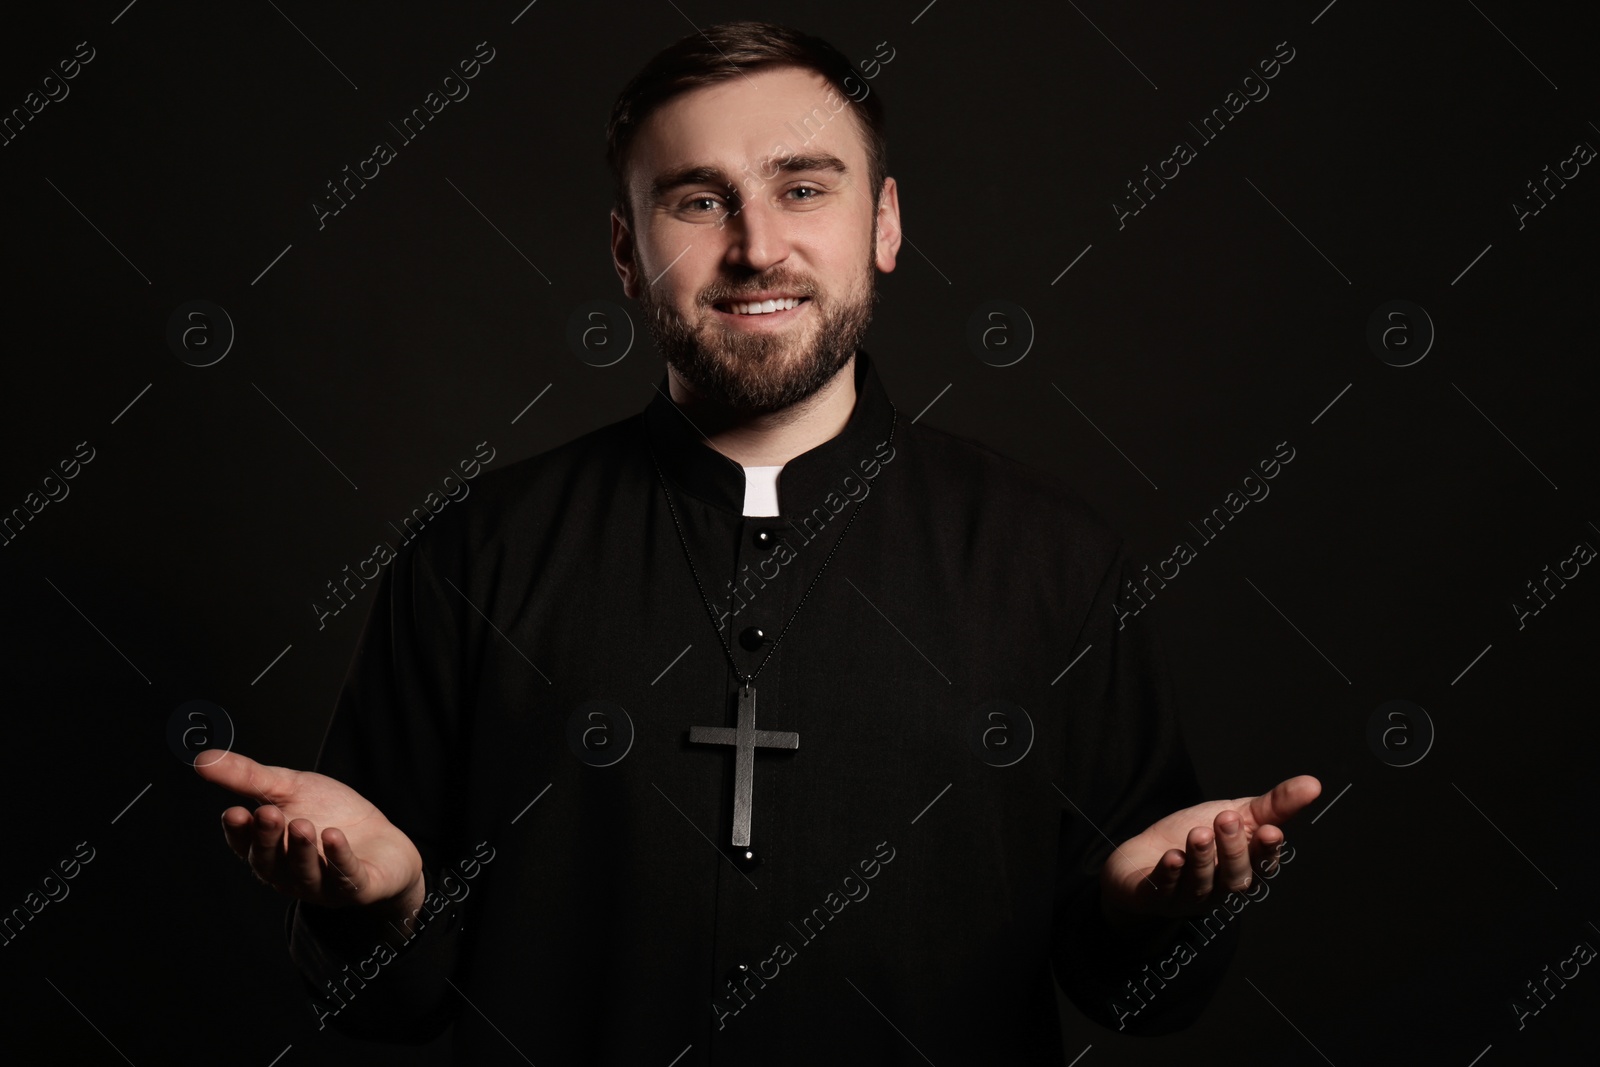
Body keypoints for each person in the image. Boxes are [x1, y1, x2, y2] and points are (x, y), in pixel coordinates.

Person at [199, 21, 1320, 1064]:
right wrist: (381, 910)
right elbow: (377, 1012)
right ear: (626, 253)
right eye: (697, 201)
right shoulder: (472, 558)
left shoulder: (1052, 560)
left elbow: (1137, 997)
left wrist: (1144, 913)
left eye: (801, 188)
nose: (756, 246)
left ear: (882, 223)